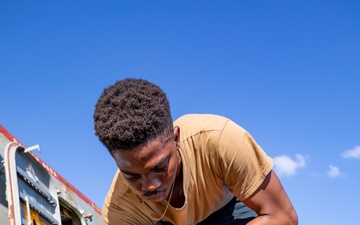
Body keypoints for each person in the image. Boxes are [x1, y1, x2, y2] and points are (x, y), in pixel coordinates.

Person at [93, 78, 298, 225]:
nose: (151, 185)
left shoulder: (218, 139)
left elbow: (283, 218)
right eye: (132, 175)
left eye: (160, 167)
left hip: (227, 209)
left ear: (176, 139)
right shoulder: (119, 209)